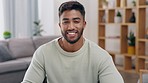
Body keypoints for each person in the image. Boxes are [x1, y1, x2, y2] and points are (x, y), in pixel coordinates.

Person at [21, 1, 124, 83]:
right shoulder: (43, 53)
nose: (71, 27)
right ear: (60, 25)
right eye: (65, 22)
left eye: (76, 21)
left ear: (84, 24)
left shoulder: (101, 56)